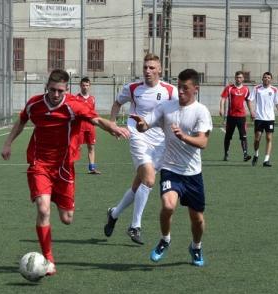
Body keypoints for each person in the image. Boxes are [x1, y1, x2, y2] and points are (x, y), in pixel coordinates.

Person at [1, 69, 129, 276]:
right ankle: (48, 260)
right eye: (52, 90)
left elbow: (96, 120)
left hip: (64, 167)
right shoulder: (35, 104)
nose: (56, 94)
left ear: (66, 89)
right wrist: (7, 144)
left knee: (67, 218)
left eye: (60, 90)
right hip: (39, 163)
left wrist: (112, 127)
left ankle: (53, 197)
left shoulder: (74, 105)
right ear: (46, 87)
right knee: (43, 210)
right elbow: (22, 120)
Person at [131, 68, 213, 267]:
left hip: (193, 173)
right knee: (168, 206)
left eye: (185, 88)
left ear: (196, 89)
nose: (181, 91)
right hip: (170, 168)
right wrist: (141, 124)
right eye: (179, 87)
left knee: (198, 220)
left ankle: (196, 246)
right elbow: (146, 125)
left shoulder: (201, 111)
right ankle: (165, 239)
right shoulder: (167, 107)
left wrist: (183, 136)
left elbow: (203, 142)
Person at [103, 53, 178, 245]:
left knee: (139, 184)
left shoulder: (170, 90)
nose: (147, 71)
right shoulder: (133, 88)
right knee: (150, 180)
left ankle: (114, 213)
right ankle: (135, 226)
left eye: (152, 68)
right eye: (145, 67)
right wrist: (112, 124)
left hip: (160, 141)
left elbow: (178, 112)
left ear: (160, 70)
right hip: (137, 135)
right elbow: (117, 103)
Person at [248, 72, 278, 167]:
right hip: (259, 117)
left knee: (269, 138)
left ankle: (266, 160)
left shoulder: (274, 90)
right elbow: (250, 100)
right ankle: (256, 154)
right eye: (265, 77)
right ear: (262, 79)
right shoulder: (256, 88)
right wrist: (252, 112)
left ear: (271, 79)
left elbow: (277, 103)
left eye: (268, 77)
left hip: (270, 118)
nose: (266, 79)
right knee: (257, 138)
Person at [219, 71, 254, 162]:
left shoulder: (246, 89)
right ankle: (226, 153)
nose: (238, 79)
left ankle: (245, 154)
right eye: (237, 77)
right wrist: (221, 109)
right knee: (228, 136)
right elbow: (223, 99)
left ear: (243, 79)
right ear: (235, 78)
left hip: (241, 117)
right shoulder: (229, 88)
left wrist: (252, 112)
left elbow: (248, 101)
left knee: (243, 136)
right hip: (231, 116)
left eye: (240, 77)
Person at [76, 77, 100, 174]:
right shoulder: (76, 98)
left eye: (87, 85)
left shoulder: (92, 99)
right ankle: (68, 167)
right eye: (83, 85)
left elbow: (93, 113)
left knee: (91, 147)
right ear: (80, 86)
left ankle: (92, 168)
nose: (85, 87)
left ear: (89, 86)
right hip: (79, 127)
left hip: (90, 127)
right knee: (77, 147)